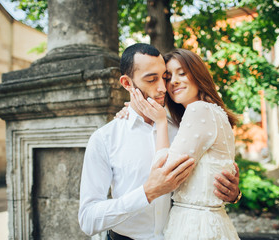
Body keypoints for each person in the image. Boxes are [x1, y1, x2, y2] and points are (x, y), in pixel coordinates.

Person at [78, 43, 241, 240]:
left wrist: (234, 194)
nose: (164, 87)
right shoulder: (105, 138)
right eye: (152, 79)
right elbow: (88, 220)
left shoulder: (185, 125)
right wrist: (146, 193)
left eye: (164, 77)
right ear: (127, 83)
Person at [130, 48, 240, 239]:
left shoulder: (199, 110)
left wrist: (161, 122)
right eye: (168, 77)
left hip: (195, 226)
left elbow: (166, 173)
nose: (174, 81)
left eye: (182, 73)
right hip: (209, 221)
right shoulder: (212, 113)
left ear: (198, 74)